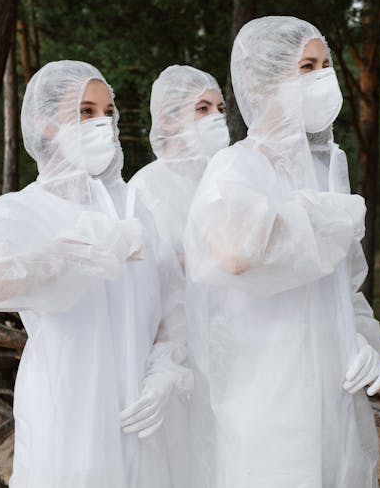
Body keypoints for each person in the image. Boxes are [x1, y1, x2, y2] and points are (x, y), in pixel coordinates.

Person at [183, 16, 380, 488]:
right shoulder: (234, 166)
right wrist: (317, 217)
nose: (322, 78)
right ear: (266, 80)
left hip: (332, 385)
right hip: (264, 389)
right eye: (306, 67)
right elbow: (235, 254)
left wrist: (362, 340)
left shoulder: (327, 169)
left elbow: (346, 282)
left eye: (325, 65)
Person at [0, 60, 190, 487]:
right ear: (45, 123)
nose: (102, 124)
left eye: (108, 113)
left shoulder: (133, 208)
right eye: (85, 111)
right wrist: (78, 250)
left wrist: (165, 373)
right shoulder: (18, 210)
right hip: (66, 409)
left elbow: (169, 305)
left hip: (139, 413)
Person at [128, 64, 229, 488]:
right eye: (202, 108)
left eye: (221, 108)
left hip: (232, 352)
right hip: (174, 363)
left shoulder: (225, 181)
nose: (216, 118)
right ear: (168, 117)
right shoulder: (144, 190)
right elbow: (138, 293)